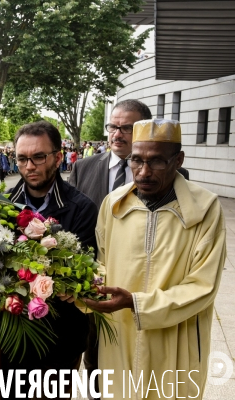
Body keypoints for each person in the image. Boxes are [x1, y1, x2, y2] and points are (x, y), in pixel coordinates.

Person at [82, 119, 226, 399]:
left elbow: (203, 286)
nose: (143, 172)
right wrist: (86, 286)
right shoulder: (113, 204)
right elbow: (100, 262)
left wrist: (137, 303)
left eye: (157, 162)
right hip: (119, 332)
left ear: (178, 160)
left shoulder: (205, 209)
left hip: (176, 337)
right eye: (136, 160)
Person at [2, 121, 97, 398]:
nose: (29, 165)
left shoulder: (82, 208)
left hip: (62, 338)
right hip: (14, 333)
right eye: (22, 158)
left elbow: (78, 275)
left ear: (57, 158)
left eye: (38, 157)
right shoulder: (3, 206)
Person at [69, 99, 190, 209]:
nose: (116, 135)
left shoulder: (175, 173)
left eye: (126, 128)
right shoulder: (82, 168)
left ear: (145, 130)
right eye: (112, 127)